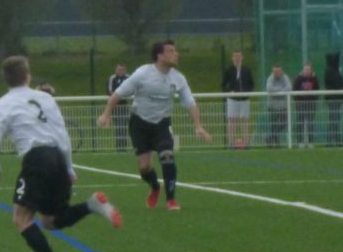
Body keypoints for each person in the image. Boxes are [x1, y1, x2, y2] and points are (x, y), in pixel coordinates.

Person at [0, 56, 122, 252]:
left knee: (21, 218)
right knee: (50, 221)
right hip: (57, 156)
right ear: (27, 76)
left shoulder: (3, 104)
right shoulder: (45, 98)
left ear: (5, 79)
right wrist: (68, 167)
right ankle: (91, 206)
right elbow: (63, 134)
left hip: (37, 159)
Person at [97, 39, 212, 210]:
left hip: (162, 125)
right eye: (171, 51)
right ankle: (155, 187)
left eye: (176, 50)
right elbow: (117, 95)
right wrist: (106, 114)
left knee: (167, 157)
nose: (176, 54)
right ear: (160, 55)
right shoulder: (142, 74)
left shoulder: (178, 78)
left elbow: (190, 103)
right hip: (139, 124)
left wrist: (199, 126)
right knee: (144, 167)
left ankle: (171, 199)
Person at [221, 50, 255, 149]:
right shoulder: (229, 70)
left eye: (239, 56)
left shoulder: (246, 70)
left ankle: (246, 143)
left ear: (242, 57)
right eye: (235, 56)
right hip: (232, 99)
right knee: (231, 120)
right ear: (232, 58)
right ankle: (231, 143)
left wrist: (247, 92)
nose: (237, 58)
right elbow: (223, 84)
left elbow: (251, 84)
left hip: (244, 99)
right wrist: (229, 91)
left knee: (245, 121)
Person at [292, 62, 320, 148]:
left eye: (308, 69)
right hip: (300, 104)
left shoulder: (314, 79)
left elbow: (317, 90)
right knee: (300, 122)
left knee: (311, 123)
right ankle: (300, 141)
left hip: (311, 104)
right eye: (305, 69)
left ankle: (310, 142)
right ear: (303, 70)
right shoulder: (298, 78)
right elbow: (294, 90)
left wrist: (313, 99)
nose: (307, 71)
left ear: (311, 70)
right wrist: (297, 100)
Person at [264, 64, 292, 147]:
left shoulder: (285, 77)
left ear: (281, 71)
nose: (276, 73)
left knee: (284, 123)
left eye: (278, 71)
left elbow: (289, 87)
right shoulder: (270, 78)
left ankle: (270, 138)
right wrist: (281, 91)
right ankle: (275, 143)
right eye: (274, 72)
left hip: (283, 106)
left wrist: (276, 92)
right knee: (274, 125)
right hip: (272, 106)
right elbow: (269, 88)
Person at [106, 63, 131, 151]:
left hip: (125, 105)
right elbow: (109, 90)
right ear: (116, 70)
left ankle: (123, 145)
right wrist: (117, 96)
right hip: (116, 105)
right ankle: (119, 146)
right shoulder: (112, 78)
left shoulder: (129, 78)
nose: (121, 72)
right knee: (119, 125)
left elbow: (132, 89)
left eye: (122, 70)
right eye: (119, 70)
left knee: (124, 125)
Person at [324, 52, 343, 146]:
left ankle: (335, 139)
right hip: (334, 98)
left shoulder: (331, 70)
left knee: (335, 119)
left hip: (335, 98)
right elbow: (338, 84)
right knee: (334, 120)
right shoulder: (332, 71)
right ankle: (332, 140)